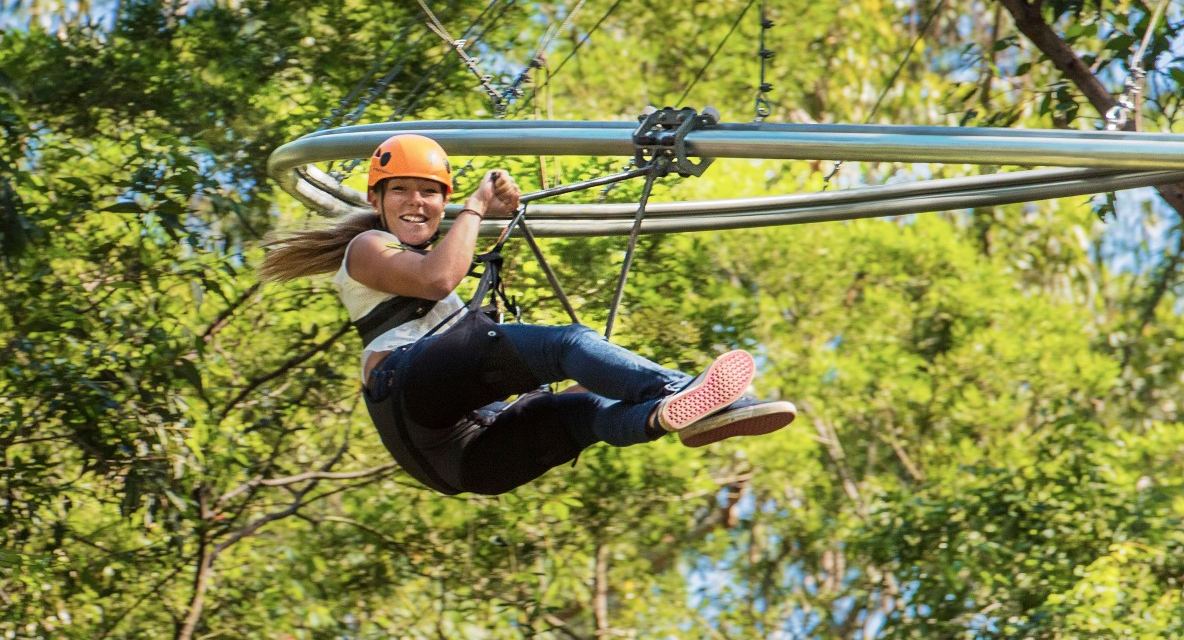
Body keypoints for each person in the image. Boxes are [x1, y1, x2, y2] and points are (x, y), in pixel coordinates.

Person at [260, 133, 796, 496]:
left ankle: (665, 415)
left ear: (439, 202)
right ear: (377, 199)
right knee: (565, 345)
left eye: (429, 194)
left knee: (588, 411)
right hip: (411, 394)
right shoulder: (367, 248)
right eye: (401, 191)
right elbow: (437, 281)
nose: (416, 204)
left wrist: (484, 212)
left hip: (471, 465)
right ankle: (688, 390)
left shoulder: (428, 248)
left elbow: (442, 280)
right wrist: (475, 207)